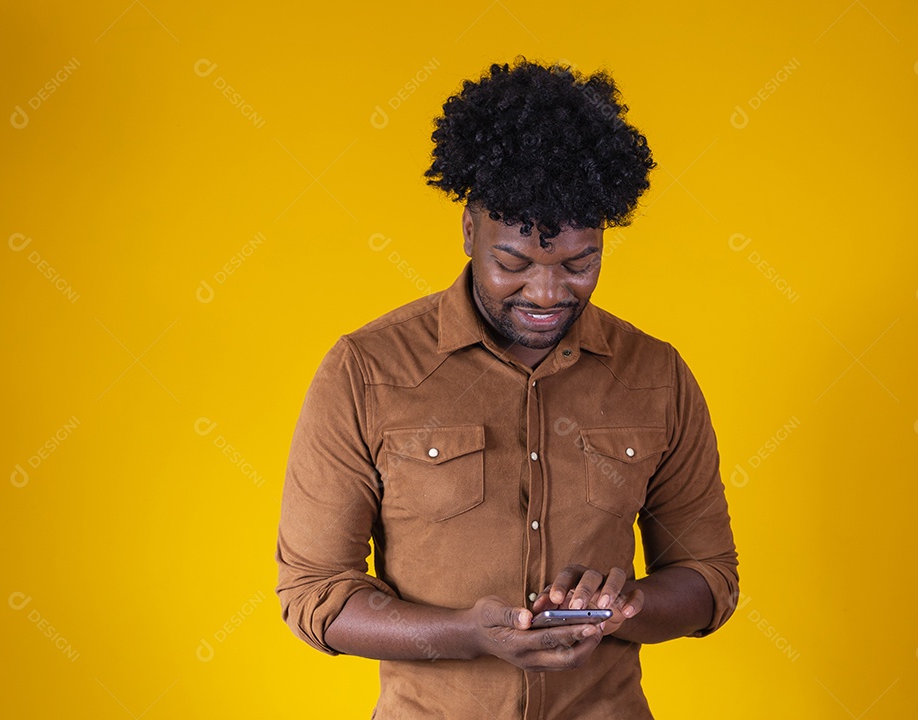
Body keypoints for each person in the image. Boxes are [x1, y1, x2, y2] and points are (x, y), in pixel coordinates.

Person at [275, 57, 739, 719]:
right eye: (513, 262)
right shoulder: (365, 371)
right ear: (470, 230)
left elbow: (709, 578)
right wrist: (466, 633)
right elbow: (315, 594)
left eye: (579, 263)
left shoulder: (656, 375)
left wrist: (625, 608)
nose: (547, 293)